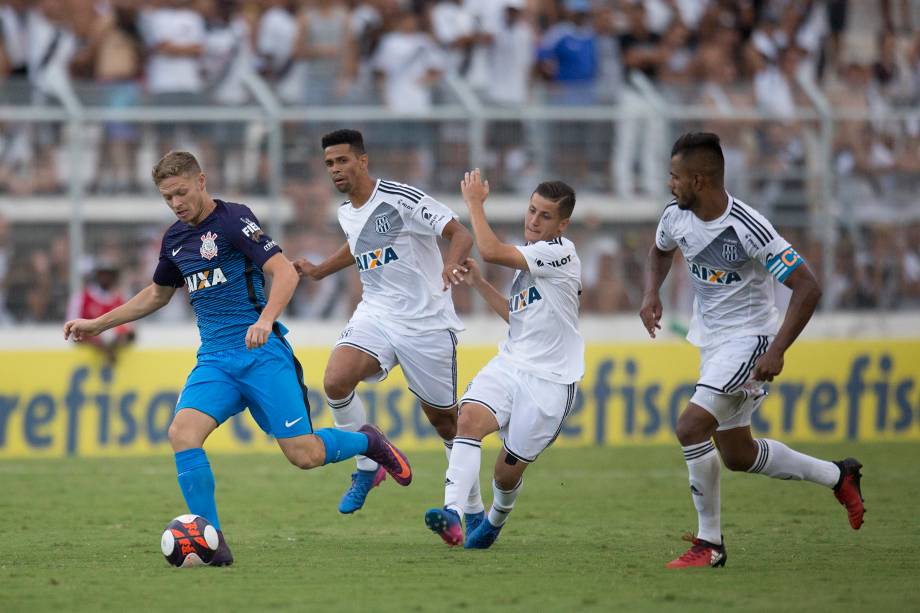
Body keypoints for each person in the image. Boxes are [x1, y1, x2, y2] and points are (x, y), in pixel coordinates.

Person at [63, 151, 413, 566]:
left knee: (305, 456)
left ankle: (368, 441)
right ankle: (210, 540)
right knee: (182, 433)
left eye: (181, 192)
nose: (176, 203)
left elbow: (283, 272)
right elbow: (157, 294)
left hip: (262, 356)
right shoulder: (175, 239)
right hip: (215, 360)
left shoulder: (233, 220)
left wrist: (265, 320)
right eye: (166, 197)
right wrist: (99, 324)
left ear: (202, 182)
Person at [639, 132, 866, 569]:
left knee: (690, 427)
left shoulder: (748, 227)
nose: (670, 184)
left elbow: (807, 286)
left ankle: (710, 545)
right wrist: (652, 292)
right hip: (713, 343)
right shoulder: (675, 217)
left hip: (751, 341)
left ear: (701, 180)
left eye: (676, 177)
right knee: (739, 456)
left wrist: (778, 349)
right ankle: (839, 475)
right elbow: (659, 251)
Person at [293, 129, 484, 523]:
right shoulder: (347, 211)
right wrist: (319, 271)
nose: (335, 169)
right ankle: (368, 464)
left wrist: (452, 263)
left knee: (446, 422)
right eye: (329, 163)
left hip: (425, 323)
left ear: (362, 161)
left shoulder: (402, 198)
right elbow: (358, 243)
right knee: (335, 380)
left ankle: (475, 511)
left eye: (342, 160)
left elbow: (459, 233)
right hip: (376, 313)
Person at [424, 170, 584, 549]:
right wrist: (480, 284)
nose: (533, 220)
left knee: (505, 474)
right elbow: (518, 318)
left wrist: (475, 204)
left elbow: (491, 250)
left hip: (550, 381)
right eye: (531, 210)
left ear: (563, 224)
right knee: (468, 420)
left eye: (545, 216)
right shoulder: (534, 258)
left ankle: (494, 519)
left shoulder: (560, 253)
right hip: (510, 365)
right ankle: (453, 513)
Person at [65, 259, 136, 364]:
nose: (106, 278)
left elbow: (130, 331)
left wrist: (114, 343)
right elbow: (72, 328)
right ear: (96, 275)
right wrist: (100, 345)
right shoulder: (82, 298)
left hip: (114, 349)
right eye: (102, 274)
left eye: (109, 274)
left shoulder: (121, 298)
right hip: (86, 356)